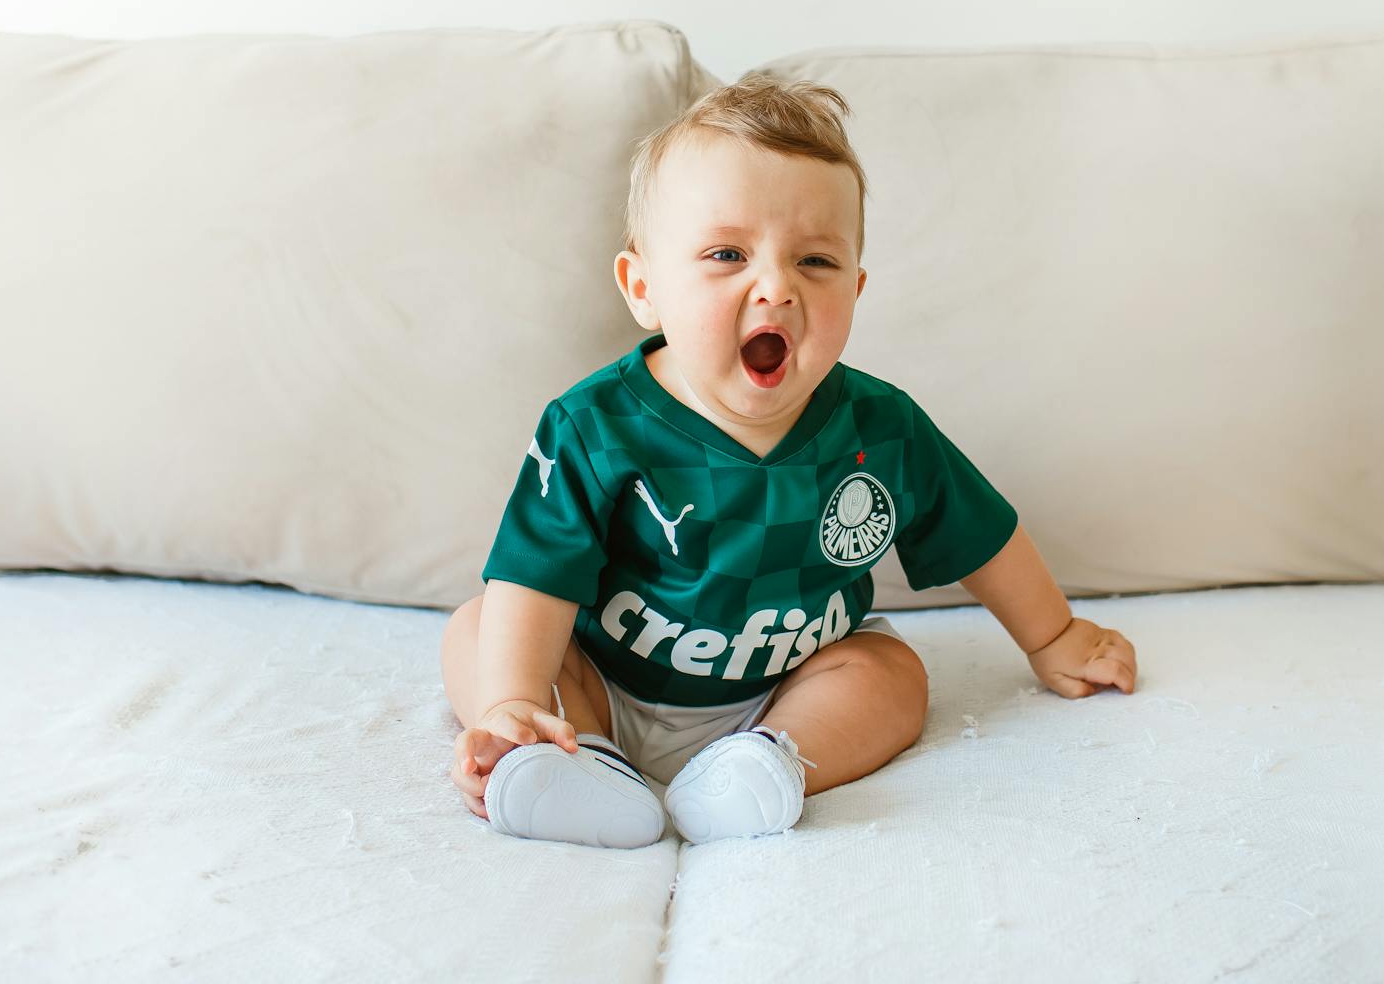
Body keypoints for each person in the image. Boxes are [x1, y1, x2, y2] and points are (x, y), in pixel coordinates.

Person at [440, 73, 1138, 848]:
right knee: (480, 631)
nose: (775, 287)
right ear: (644, 288)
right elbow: (533, 576)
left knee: (892, 676)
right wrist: (510, 697)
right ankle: (566, 765)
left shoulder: (883, 427)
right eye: (726, 254)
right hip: (604, 684)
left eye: (815, 262)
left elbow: (983, 535)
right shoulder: (594, 426)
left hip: (782, 693)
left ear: (857, 287)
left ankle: (769, 769)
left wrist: (1053, 636)